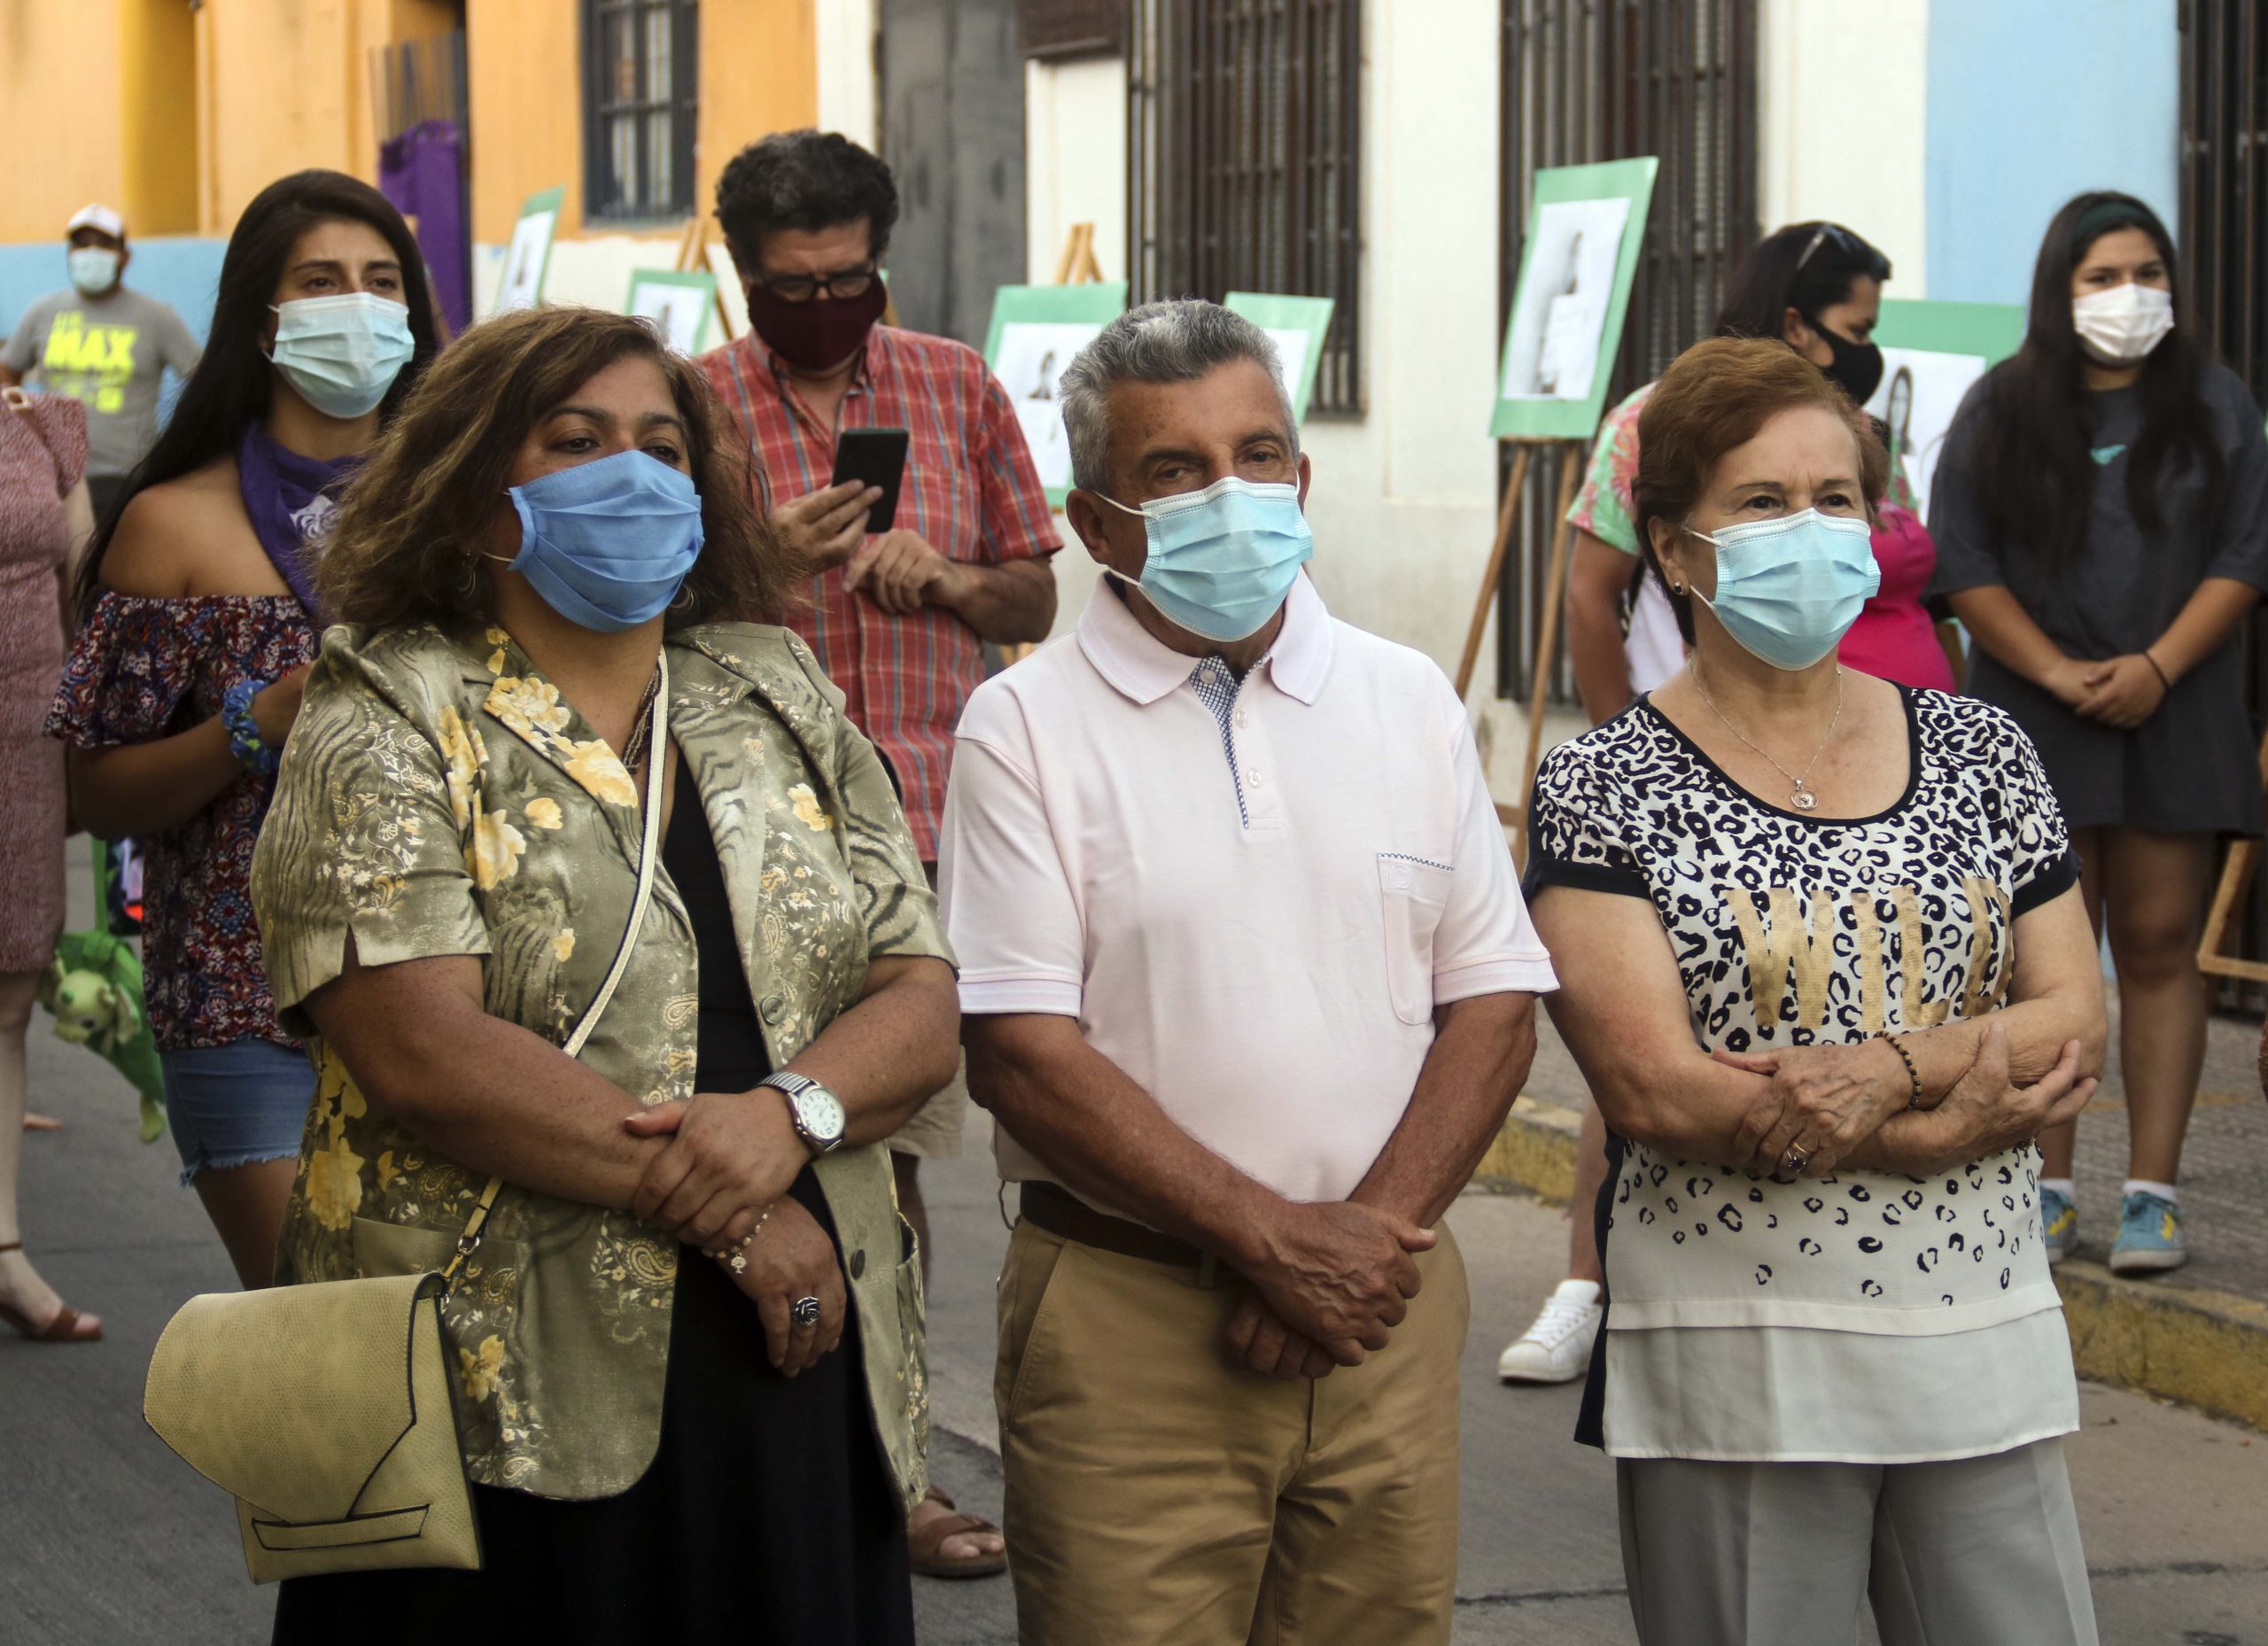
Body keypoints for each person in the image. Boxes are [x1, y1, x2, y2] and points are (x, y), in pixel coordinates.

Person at [252, 305, 957, 1642]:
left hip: (795, 1338)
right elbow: (423, 1054)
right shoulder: (385, 703)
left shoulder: (772, 687)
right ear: (475, 498)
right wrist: (739, 1212)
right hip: (490, 1370)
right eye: (575, 441)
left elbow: (919, 995)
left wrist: (789, 1117)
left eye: (661, 446)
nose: (629, 474)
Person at [943, 300, 1558, 1646]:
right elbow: (1021, 1057)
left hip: (1383, 1309)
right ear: (1096, 523)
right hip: (1133, 1325)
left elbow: (1496, 1006)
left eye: (1258, 456)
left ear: (1302, 476)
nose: (1232, 495)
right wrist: (1270, 1241)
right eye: (1176, 470)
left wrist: (1357, 1249)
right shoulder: (1020, 727)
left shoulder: (1405, 697)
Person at [1528, 337, 2105, 1644]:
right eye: (1762, 501)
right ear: (1673, 549)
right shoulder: (1604, 784)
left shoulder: (1982, 749)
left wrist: (1886, 1071)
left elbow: (2073, 1016)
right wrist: (1936, 1130)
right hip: (1736, 1344)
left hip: (1977, 1323)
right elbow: (1653, 1088)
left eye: (1835, 498)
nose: (1810, 530)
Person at [699, 126, 1058, 1577]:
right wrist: (761, 564)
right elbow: (638, 609)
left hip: (934, 835)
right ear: (746, 278)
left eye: (848, 278)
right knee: (813, 1161)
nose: (825, 305)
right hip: (751, 843)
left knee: (889, 1167)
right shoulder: (691, 407)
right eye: (794, 286)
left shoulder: (958, 386)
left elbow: (1034, 597)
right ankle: (853, 1469)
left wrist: (952, 577)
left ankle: (878, 1464)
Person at [1504, 219, 1950, 1386]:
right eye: (1854, 325)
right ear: (1799, 319)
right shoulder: (1649, 421)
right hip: (1700, 763)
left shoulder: (1855, 428)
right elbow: (1590, 592)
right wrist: (1640, 753)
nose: (1866, 347)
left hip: (1866, 762)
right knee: (1666, 1021)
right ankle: (1589, 1276)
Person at [46, 171, 441, 1289]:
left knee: (452, 1351)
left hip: (460, 993)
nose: (356, 304)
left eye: (381, 281)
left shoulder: (467, 519)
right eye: (320, 281)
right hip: (245, 997)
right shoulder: (173, 524)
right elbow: (96, 793)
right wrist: (254, 724)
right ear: (261, 321)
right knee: (322, 1335)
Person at [1930, 191, 2268, 1277]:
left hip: (2176, 702)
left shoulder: (2216, 403)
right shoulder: (2000, 406)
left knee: (2162, 945)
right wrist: (2053, 672)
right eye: (2103, 277)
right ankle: (2046, 1185)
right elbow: (1961, 563)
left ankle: (2152, 1196)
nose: (2130, 295)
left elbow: (2246, 555)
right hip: (2035, 715)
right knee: (2047, 956)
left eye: (2147, 273)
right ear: (2059, 289)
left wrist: (2155, 666)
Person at [0, 387, 98, 1342]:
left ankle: (3, 1251)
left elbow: (85, 583)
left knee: (8, 1000)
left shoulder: (38, 424)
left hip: (24, 735)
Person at [1, 204, 204, 525]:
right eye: (81, 245)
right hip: (56, 479)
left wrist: (180, 451)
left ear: (125, 256)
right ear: (69, 254)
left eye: (103, 245)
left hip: (125, 479)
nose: (91, 254)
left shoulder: (157, 318)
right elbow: (8, 373)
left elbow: (202, 382)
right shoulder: (42, 312)